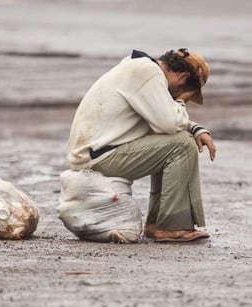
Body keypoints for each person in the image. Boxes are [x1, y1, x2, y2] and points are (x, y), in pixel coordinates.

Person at [67, 48, 216, 242]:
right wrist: (180, 101)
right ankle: (173, 226)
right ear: (183, 77)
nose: (178, 97)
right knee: (182, 145)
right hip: (100, 158)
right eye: (185, 92)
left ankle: (156, 224)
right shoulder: (148, 73)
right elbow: (169, 123)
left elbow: (161, 115)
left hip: (93, 154)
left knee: (171, 140)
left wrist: (195, 128)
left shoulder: (139, 67)